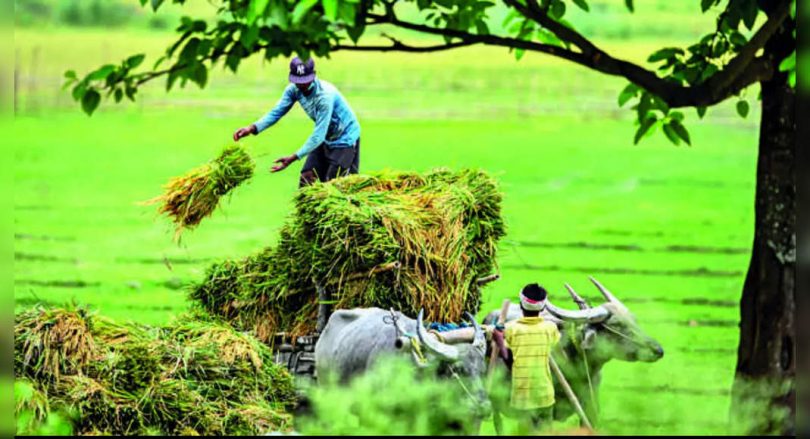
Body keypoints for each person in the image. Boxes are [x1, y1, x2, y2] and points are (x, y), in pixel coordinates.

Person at [232, 56, 361, 187]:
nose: (301, 85)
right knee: (307, 178)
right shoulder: (293, 90)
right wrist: (252, 128)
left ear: (314, 75)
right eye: (298, 81)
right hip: (326, 137)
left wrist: (294, 157)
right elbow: (276, 112)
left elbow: (318, 135)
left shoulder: (324, 97)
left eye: (305, 81)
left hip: (345, 139)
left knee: (334, 185)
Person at [492, 283, 561, 433]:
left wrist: (499, 340)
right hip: (545, 394)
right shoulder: (550, 328)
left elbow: (507, 357)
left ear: (521, 305)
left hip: (522, 397)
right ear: (543, 308)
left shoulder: (511, 329)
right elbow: (555, 341)